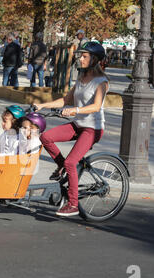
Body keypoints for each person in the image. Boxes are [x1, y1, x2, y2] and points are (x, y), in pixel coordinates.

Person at [34, 41, 109, 217]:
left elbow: (96, 106)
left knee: (70, 162)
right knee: (45, 137)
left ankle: (73, 204)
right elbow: (66, 100)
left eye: (84, 56)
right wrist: (43, 105)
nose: (80, 59)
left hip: (93, 129)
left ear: (95, 60)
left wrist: (74, 110)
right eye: (80, 56)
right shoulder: (81, 79)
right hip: (79, 125)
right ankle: (62, 168)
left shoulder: (102, 82)